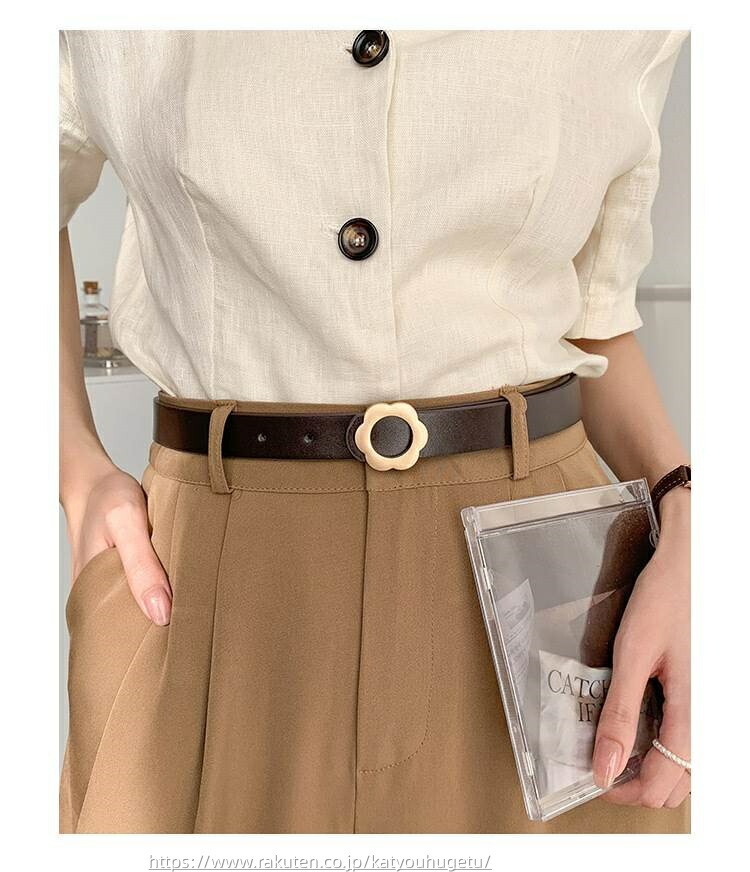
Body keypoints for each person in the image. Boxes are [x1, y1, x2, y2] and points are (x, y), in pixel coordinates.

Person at [59, 30, 690, 834]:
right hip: (209, 580)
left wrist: (690, 517)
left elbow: (596, 322)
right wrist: (75, 465)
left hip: (549, 600)